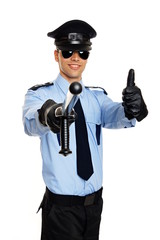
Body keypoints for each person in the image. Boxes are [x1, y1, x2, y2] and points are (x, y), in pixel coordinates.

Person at [22, 19, 148, 240]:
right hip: (61, 212)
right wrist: (48, 114)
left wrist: (133, 107)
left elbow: (116, 114)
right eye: (68, 51)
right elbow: (30, 121)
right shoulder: (40, 95)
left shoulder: (97, 97)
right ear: (56, 55)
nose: (75, 58)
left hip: (94, 207)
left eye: (82, 52)